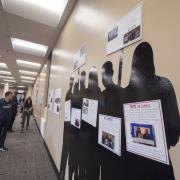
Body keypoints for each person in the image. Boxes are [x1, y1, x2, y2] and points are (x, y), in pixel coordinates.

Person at [124, 42, 180, 180]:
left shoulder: (125, 92)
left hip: (131, 165)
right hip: (158, 167)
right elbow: (174, 135)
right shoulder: (164, 85)